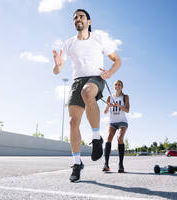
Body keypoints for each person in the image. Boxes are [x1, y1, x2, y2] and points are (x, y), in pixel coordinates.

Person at [53, 9, 121, 182]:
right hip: (77, 80)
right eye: (75, 17)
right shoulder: (69, 43)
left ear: (88, 21)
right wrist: (58, 65)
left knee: (87, 92)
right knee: (73, 121)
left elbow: (117, 60)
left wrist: (110, 73)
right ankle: (77, 163)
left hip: (96, 78)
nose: (78, 19)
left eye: (81, 16)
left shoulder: (99, 38)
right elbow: (57, 70)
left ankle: (96, 138)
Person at [102, 80, 129, 173]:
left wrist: (119, 105)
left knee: (120, 138)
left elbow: (127, 110)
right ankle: (106, 164)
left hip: (122, 121)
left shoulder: (125, 97)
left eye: (119, 85)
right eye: (116, 85)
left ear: (122, 87)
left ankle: (121, 164)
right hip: (112, 122)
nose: (117, 86)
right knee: (108, 138)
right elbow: (105, 112)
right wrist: (108, 106)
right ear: (114, 87)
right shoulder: (109, 97)